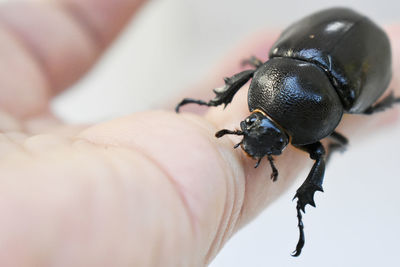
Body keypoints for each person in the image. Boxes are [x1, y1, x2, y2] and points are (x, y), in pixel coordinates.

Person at [0, 0, 398, 266]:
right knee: (327, 145)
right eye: (254, 123)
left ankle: (301, 201)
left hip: (340, 60)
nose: (253, 142)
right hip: (307, 64)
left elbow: (259, 79)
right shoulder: (271, 78)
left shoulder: (290, 86)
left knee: (323, 149)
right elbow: (256, 76)